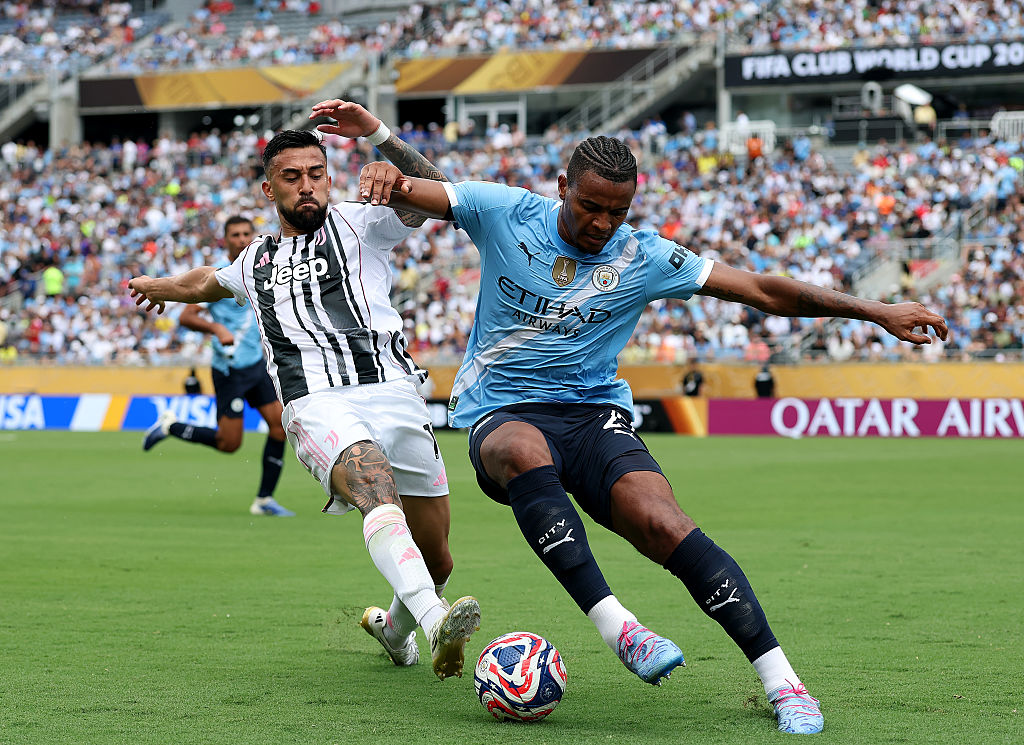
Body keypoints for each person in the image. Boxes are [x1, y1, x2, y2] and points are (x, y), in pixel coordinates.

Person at [356, 135, 949, 734]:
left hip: (592, 416)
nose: (603, 222)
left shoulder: (644, 257)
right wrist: (385, 160)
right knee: (520, 449)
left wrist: (876, 311)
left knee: (663, 521)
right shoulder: (503, 210)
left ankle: (783, 682)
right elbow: (411, 188)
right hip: (502, 410)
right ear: (562, 189)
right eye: (590, 206)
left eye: (618, 211)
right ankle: (622, 629)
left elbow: (763, 292)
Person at [127, 100, 481, 681]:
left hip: (396, 391)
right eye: (292, 178)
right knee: (373, 484)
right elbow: (204, 282)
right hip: (317, 402)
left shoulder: (363, 223)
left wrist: (380, 135)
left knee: (437, 553)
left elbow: (445, 195)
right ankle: (436, 615)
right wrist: (162, 286)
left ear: (329, 177)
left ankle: (396, 630)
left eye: (316, 174)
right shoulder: (254, 260)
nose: (307, 186)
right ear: (270, 189)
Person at [142, 216, 295, 518]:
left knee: (280, 427)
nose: (241, 239)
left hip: (257, 365)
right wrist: (216, 329)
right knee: (229, 443)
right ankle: (171, 426)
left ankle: (264, 499)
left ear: (254, 237)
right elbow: (186, 317)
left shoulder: (264, 269)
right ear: (225, 240)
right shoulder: (217, 275)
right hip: (229, 370)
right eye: (234, 235)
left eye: (245, 234)